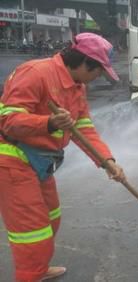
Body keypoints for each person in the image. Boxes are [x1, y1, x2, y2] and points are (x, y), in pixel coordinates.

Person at [0, 32, 127, 281]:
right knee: (33, 233)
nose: (99, 77)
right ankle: (30, 275)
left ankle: (38, 268)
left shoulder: (77, 86)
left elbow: (83, 129)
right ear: (83, 63)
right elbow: (8, 120)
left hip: (42, 162)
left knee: (51, 219)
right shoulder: (35, 73)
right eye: (99, 71)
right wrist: (48, 122)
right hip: (13, 160)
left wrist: (107, 162)